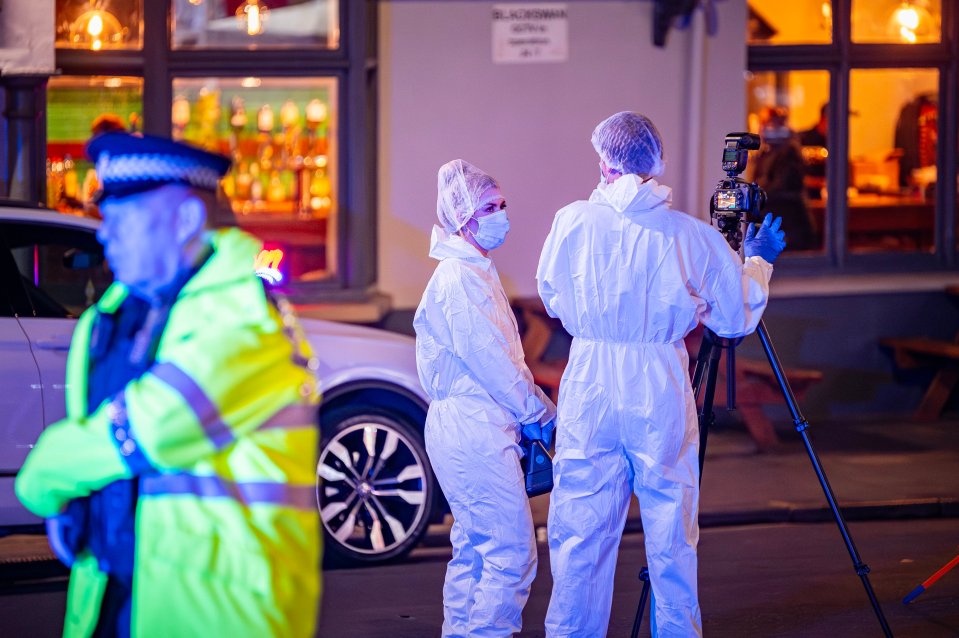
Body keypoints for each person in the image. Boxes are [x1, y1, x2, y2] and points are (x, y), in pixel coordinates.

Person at [15, 132, 322, 638]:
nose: (104, 236)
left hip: (219, 614)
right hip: (116, 600)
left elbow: (150, 427)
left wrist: (45, 475)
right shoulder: (111, 318)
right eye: (103, 219)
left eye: (123, 220)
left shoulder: (246, 316)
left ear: (185, 220)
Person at [537, 111, 785, 637]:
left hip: (590, 380)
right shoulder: (690, 236)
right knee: (671, 532)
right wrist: (757, 263)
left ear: (605, 163)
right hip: (658, 383)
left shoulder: (571, 221)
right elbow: (734, 316)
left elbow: (553, 298)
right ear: (655, 163)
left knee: (580, 534)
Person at [413, 159, 557, 637]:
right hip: (472, 425)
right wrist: (538, 412)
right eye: (490, 207)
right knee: (511, 555)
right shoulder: (458, 279)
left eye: (502, 204)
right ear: (463, 218)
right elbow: (493, 362)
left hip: (474, 424)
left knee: (475, 551)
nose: (502, 215)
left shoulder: (472, 272)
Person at [752, 106, 818, 250]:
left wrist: (754, 194)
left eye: (769, 124)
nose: (763, 129)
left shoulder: (788, 152)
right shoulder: (768, 152)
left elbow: (781, 187)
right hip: (776, 227)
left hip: (789, 228)